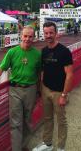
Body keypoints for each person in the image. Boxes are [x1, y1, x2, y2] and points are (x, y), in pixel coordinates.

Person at [0, 26, 41, 151]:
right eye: (25, 36)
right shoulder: (12, 52)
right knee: (16, 123)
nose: (27, 39)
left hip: (31, 90)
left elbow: (39, 74)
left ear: (34, 37)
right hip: (15, 91)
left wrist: (39, 91)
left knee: (27, 121)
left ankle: (24, 145)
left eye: (30, 36)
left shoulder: (37, 54)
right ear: (21, 36)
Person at [33, 21, 73, 151]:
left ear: (56, 33)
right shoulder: (43, 51)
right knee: (47, 118)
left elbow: (70, 74)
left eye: (51, 33)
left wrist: (64, 95)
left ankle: (61, 147)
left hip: (59, 92)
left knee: (61, 120)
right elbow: (43, 71)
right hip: (46, 89)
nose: (48, 35)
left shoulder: (64, 51)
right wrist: (41, 89)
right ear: (43, 34)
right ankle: (48, 143)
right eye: (46, 33)